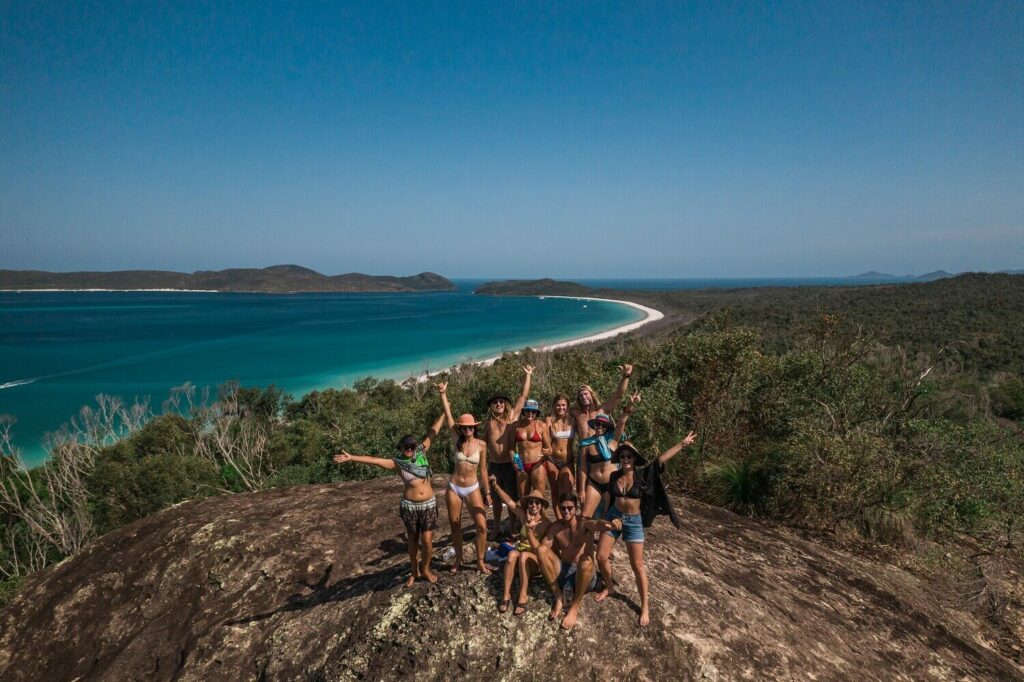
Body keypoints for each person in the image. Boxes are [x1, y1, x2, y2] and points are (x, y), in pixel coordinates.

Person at [333, 412, 447, 587]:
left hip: (429, 505)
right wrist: (352, 458)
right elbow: (374, 460)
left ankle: (425, 569)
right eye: (405, 447)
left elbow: (434, 431)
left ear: (415, 446)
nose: (409, 450)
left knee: (427, 541)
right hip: (410, 507)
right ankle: (414, 571)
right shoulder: (397, 463)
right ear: (401, 449)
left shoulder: (422, 452)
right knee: (413, 541)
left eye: (411, 446)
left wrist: (444, 412)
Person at [595, 432, 697, 626]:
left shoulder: (642, 475)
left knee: (637, 565)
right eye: (623, 456)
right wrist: (602, 520)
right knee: (600, 556)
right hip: (613, 517)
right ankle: (609, 587)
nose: (626, 459)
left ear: (634, 459)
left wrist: (682, 444)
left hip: (633, 521)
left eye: (629, 456)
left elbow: (660, 460)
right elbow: (608, 498)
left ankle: (645, 605)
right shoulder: (614, 475)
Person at [527, 491, 622, 630]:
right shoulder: (556, 527)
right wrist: (529, 531)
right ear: (559, 508)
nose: (566, 511)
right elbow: (539, 551)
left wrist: (610, 525)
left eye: (570, 508)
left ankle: (574, 607)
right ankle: (558, 595)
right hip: (563, 571)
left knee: (586, 561)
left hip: (584, 574)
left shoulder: (584, 523)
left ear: (575, 508)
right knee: (542, 550)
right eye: (563, 508)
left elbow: (597, 524)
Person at [437, 382, 492, 575]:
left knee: (482, 526)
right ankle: (458, 560)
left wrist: (487, 492)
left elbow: (483, 469)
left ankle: (480, 561)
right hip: (454, 487)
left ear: (474, 427)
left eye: (470, 427)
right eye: (464, 427)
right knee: (455, 525)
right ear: (460, 428)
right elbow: (449, 416)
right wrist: (444, 393)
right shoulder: (456, 439)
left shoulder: (482, 445)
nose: (468, 429)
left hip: (472, 487)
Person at [489, 475, 551, 615]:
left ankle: (523, 595)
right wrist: (496, 487)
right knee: (512, 554)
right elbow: (509, 502)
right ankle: (506, 595)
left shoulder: (546, 524)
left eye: (537, 502)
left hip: (534, 562)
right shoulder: (524, 515)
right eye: (531, 502)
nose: (533, 505)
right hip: (520, 557)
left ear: (541, 506)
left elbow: (547, 549)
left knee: (522, 556)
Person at [484, 365, 533, 539]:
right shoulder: (488, 424)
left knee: (512, 497)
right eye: (495, 402)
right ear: (491, 405)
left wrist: (528, 375)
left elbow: (523, 396)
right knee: (497, 499)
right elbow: (482, 444)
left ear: (505, 404)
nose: (498, 404)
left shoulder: (512, 417)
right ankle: (497, 527)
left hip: (510, 464)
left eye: (501, 402)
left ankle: (512, 527)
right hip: (494, 466)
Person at [577, 392, 640, 519]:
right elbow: (583, 468)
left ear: (607, 428)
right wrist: (581, 489)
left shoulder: (613, 442)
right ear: (593, 425)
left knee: (608, 518)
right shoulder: (586, 444)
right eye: (597, 424)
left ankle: (603, 539)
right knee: (585, 517)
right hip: (594, 483)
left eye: (603, 425)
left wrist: (630, 405)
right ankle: (586, 539)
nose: (599, 426)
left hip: (612, 483)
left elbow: (622, 422)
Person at [571, 364, 633, 440]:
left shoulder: (602, 410)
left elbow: (618, 395)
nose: (584, 397)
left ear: (592, 395)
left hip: (600, 451)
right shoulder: (576, 413)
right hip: (584, 450)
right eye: (581, 396)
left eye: (586, 394)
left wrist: (626, 377)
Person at [513, 398, 551, 500]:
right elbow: (510, 448)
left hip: (538, 464)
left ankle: (542, 516)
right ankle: (524, 516)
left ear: (536, 413)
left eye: (533, 411)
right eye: (528, 410)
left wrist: (547, 452)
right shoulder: (516, 426)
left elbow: (549, 448)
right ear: (523, 411)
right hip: (521, 465)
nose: (530, 413)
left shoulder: (542, 426)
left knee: (539, 498)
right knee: (523, 499)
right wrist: (514, 461)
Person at [544, 393, 576, 507]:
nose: (561, 408)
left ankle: (567, 518)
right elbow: (546, 439)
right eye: (558, 405)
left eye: (563, 405)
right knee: (555, 491)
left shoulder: (573, 420)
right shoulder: (549, 420)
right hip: (552, 459)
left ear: (567, 406)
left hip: (568, 461)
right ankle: (559, 519)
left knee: (567, 492)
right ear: (554, 406)